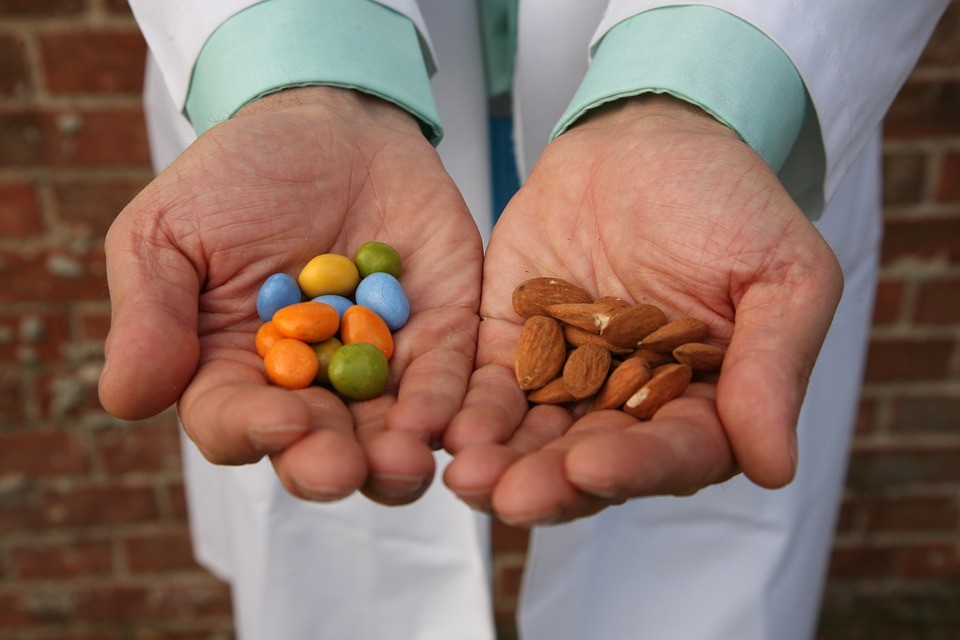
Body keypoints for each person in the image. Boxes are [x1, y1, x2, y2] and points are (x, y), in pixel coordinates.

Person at [99, 1, 949, 639]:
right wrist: (305, 58)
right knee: (340, 541)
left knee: (671, 550)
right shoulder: (333, 290)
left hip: (704, 175)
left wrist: (703, 76)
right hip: (323, 166)